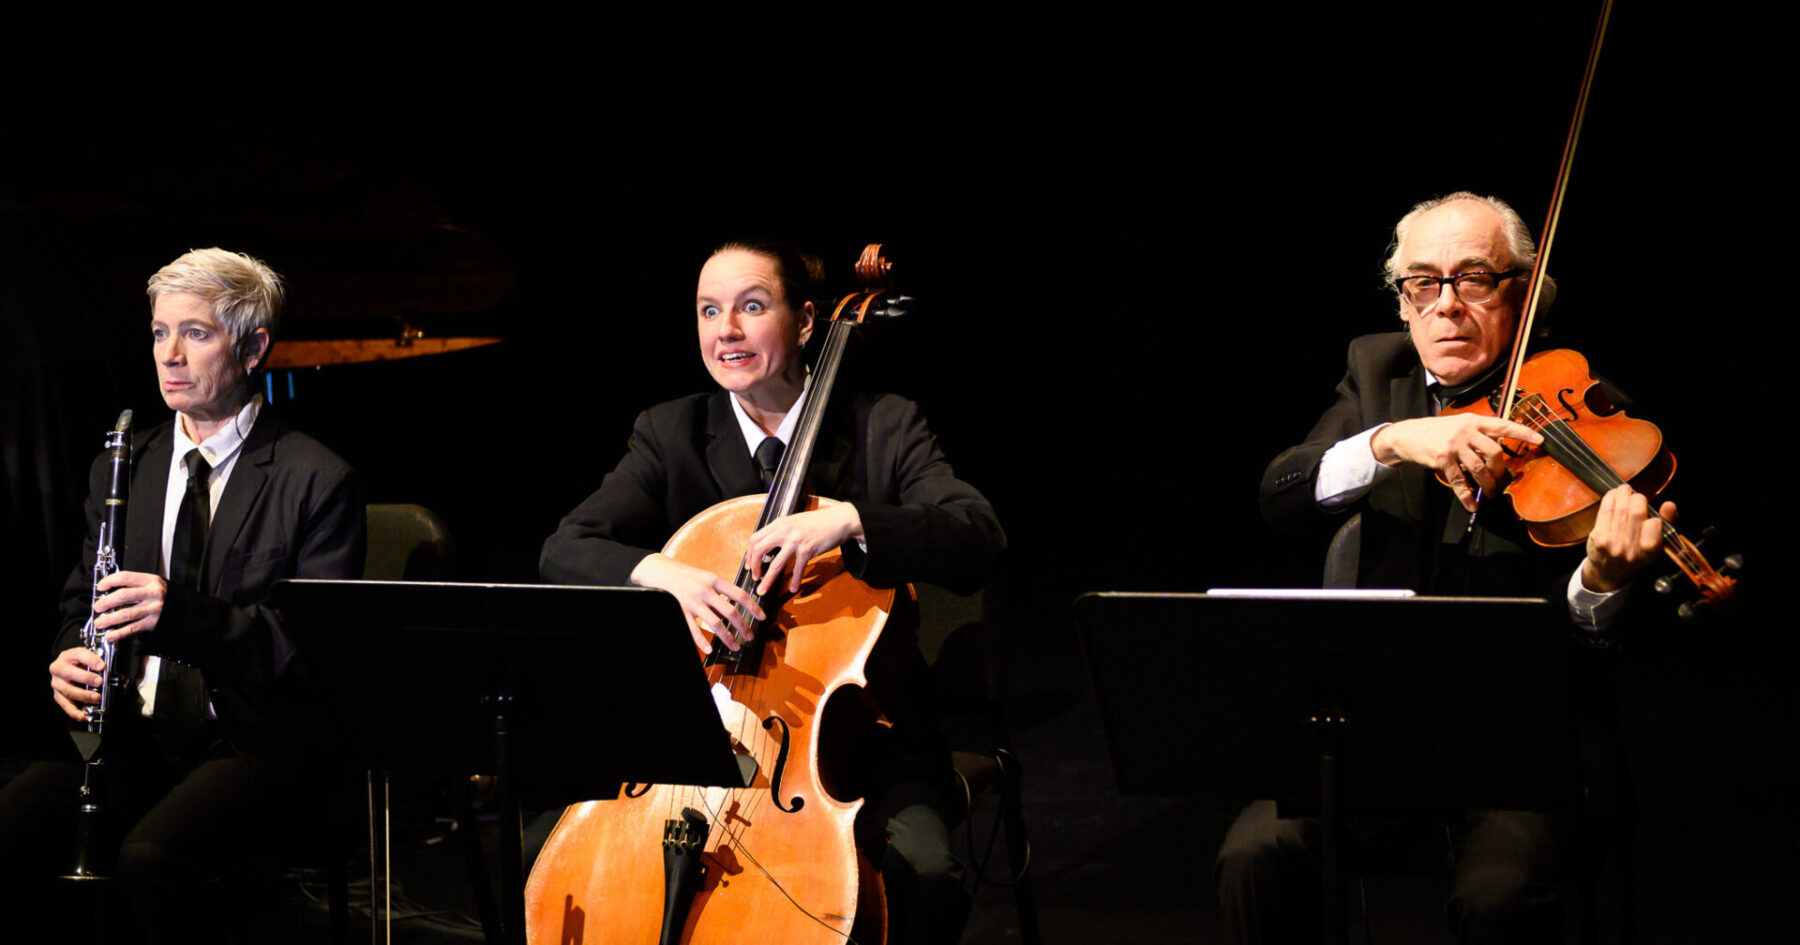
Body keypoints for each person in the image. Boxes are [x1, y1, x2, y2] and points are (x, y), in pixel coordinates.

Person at [1214, 193, 1669, 942]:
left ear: (1521, 291)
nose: (1446, 305)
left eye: (1474, 278)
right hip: (1376, 736)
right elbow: (1280, 492)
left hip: (1526, 752)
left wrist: (1603, 583)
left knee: (1499, 898)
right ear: (1402, 302)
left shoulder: (1587, 409)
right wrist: (1393, 439)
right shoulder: (1376, 372)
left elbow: (1597, 643)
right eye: (1422, 282)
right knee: (1252, 853)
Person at [538, 239, 1005, 945]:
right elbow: (564, 548)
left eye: (751, 306)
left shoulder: (883, 425)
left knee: (927, 873)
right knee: (554, 853)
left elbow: (978, 536)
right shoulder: (672, 433)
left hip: (860, 746)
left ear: (807, 321)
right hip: (695, 738)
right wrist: (667, 571)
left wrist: (850, 520)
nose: (725, 329)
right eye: (709, 310)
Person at [0, 248, 366, 944]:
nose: (170, 355)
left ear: (254, 345)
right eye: (160, 332)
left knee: (151, 859)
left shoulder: (317, 479)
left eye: (196, 333)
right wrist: (68, 656)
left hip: (254, 740)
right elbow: (81, 606)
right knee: (12, 829)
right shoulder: (123, 462)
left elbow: (315, 649)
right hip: (137, 735)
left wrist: (183, 616)